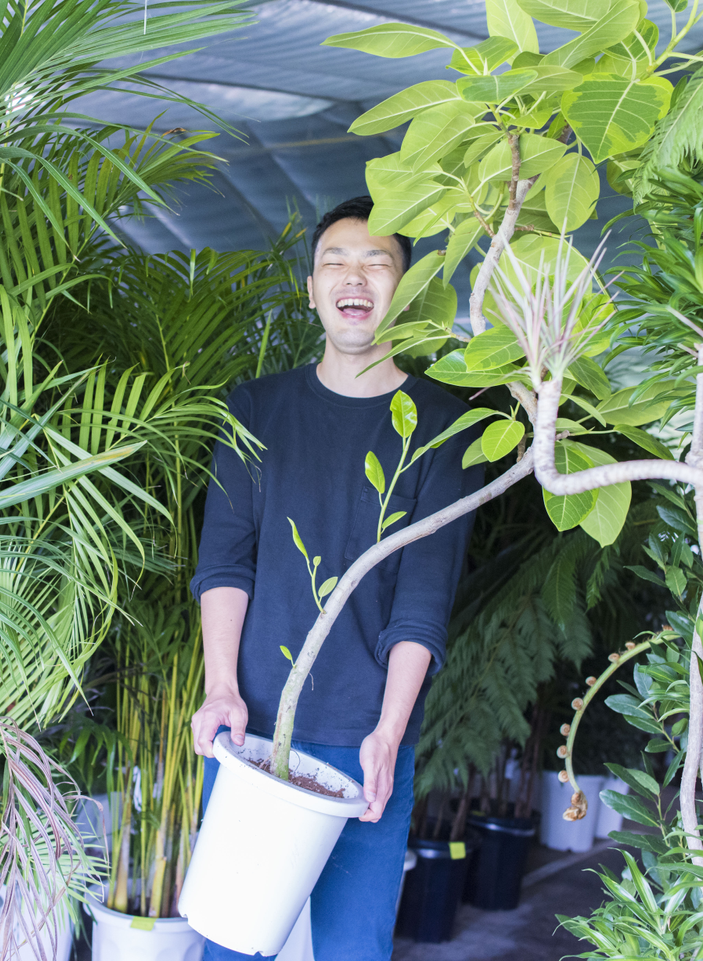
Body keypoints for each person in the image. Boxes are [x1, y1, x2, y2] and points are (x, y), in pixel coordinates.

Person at [188, 196, 483, 959]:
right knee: (232, 944)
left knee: (354, 947)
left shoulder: (440, 429)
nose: (355, 277)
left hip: (368, 741)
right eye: (336, 262)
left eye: (376, 263)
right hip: (251, 733)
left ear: (405, 289)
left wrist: (388, 731)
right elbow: (226, 560)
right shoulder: (257, 409)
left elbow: (422, 600)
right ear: (311, 288)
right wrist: (222, 687)